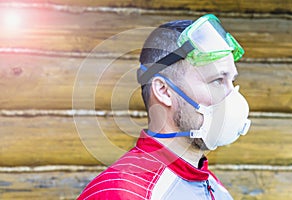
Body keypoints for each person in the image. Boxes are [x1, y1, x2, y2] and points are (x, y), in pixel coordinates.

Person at [77, 14, 251, 200]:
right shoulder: (122, 193)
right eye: (217, 81)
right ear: (164, 91)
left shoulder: (215, 188)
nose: (232, 96)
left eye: (231, 81)